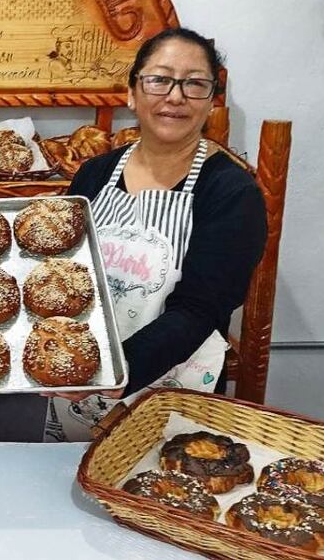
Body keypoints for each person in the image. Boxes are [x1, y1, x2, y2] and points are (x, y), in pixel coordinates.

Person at [44, 28, 267, 442]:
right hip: (84, 378)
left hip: (175, 386)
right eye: (160, 79)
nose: (176, 96)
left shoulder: (231, 193)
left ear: (212, 100)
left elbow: (200, 310)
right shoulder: (94, 175)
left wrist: (117, 371)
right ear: (132, 93)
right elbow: (63, 273)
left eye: (195, 84)